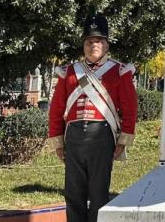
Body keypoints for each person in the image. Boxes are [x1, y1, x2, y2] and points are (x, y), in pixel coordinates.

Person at [48, 14, 138, 222]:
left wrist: (124, 140)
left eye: (98, 41)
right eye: (89, 41)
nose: (93, 45)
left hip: (102, 136)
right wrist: (58, 141)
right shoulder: (69, 72)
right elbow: (57, 108)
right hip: (74, 136)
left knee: (99, 194)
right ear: (83, 46)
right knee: (73, 193)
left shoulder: (120, 70)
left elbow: (129, 108)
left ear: (106, 45)